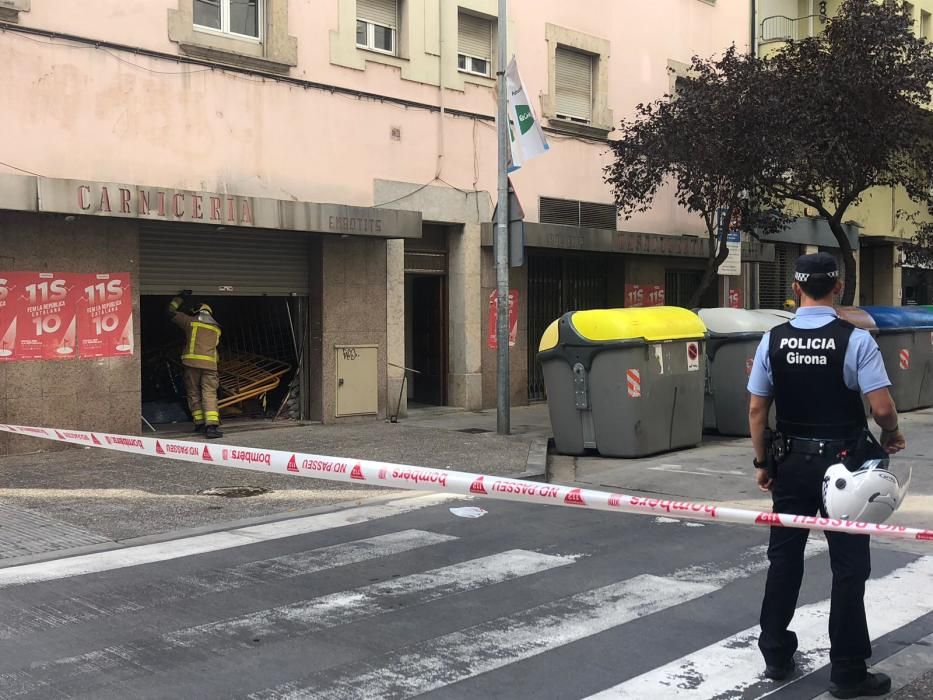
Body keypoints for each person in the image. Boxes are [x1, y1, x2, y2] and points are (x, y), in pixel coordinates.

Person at [747, 253, 905, 699]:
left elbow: (758, 408)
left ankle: (776, 652)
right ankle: (849, 671)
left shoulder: (772, 340)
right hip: (847, 469)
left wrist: (764, 464)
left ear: (796, 289)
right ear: (837, 289)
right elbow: (881, 408)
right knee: (849, 568)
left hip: (792, 465)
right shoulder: (855, 340)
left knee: (783, 559)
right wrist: (890, 434)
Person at [168, 290, 223, 439]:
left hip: (192, 364)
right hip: (210, 366)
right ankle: (211, 427)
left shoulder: (190, 322)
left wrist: (180, 298)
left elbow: (169, 311)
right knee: (209, 393)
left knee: (193, 393)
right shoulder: (216, 328)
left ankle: (199, 424)